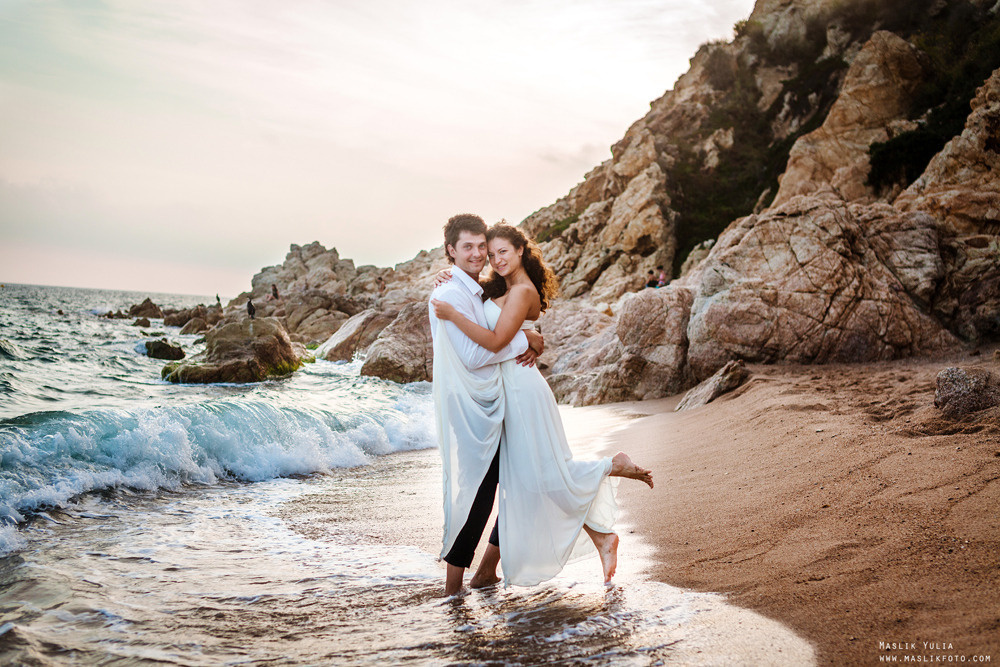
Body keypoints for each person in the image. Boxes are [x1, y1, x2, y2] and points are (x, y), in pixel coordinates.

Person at [431, 222, 653, 587]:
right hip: (504, 392)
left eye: (503, 251)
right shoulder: (498, 287)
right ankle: (595, 537)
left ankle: (611, 466)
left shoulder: (521, 291)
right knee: (528, 480)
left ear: (521, 250)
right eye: (491, 253)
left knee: (543, 476)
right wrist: (452, 274)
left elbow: (494, 341)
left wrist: (455, 316)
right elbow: (484, 306)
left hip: (521, 392)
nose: (495, 259)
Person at [428, 214, 544, 596]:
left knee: (512, 482)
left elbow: (504, 321)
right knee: (479, 494)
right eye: (469, 247)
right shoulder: (448, 294)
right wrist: (526, 341)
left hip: (495, 402)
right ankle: (453, 587)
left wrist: (525, 335)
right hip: (473, 409)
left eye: (484, 247)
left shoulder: (475, 286)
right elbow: (474, 357)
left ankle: (482, 574)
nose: (479, 254)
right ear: (451, 251)